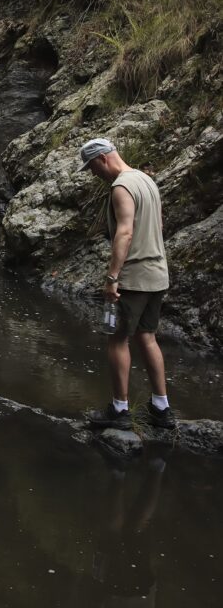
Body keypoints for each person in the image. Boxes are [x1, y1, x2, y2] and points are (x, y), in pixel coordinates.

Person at [79, 138, 175, 430]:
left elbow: (125, 233)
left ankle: (119, 411)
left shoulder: (121, 187)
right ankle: (161, 408)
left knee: (118, 339)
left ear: (103, 159)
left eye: (92, 167)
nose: (93, 173)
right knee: (148, 337)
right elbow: (158, 226)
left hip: (134, 277)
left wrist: (112, 278)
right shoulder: (147, 181)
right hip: (158, 274)